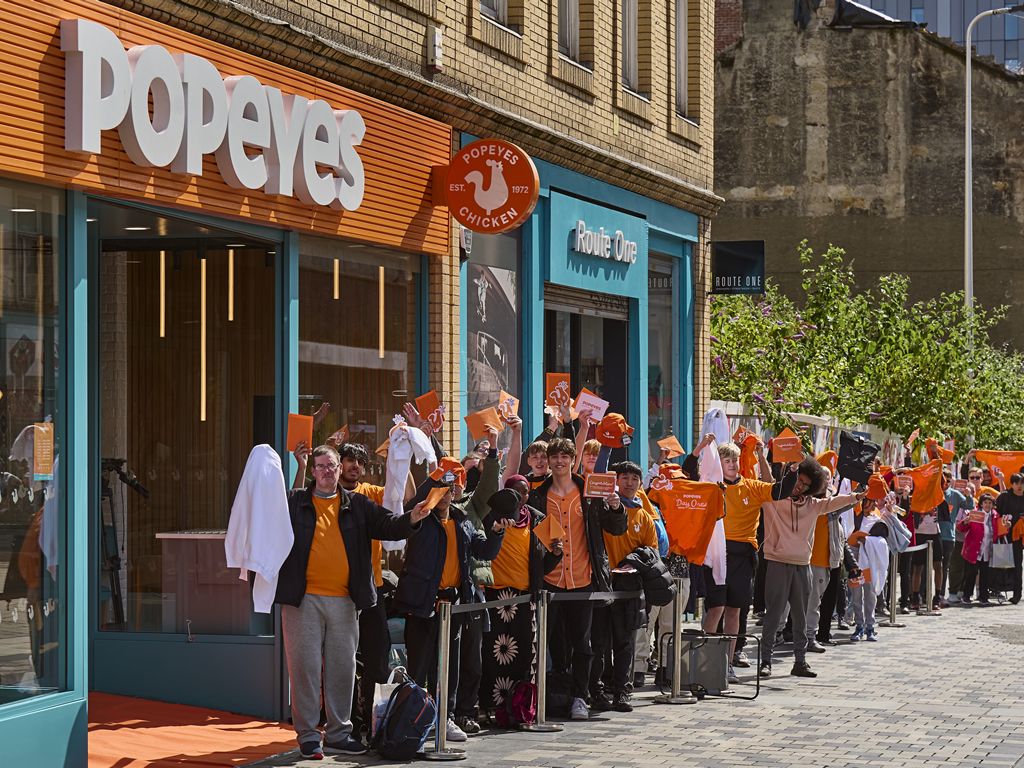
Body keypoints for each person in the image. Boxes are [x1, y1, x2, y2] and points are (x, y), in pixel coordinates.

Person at [275, 444, 430, 760]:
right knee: (303, 668)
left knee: (342, 669)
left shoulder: (359, 505)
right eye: (320, 466)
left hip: (345, 601)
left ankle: (338, 734)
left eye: (330, 464)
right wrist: (299, 465)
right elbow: (270, 524)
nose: (326, 470)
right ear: (313, 471)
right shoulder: (295, 502)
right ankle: (307, 735)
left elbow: (388, 524)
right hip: (301, 601)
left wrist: (412, 517)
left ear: (338, 468)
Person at [394, 469, 508, 743]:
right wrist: (433, 479)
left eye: (450, 488)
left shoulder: (463, 520)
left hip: (454, 606)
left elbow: (484, 552)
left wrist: (496, 532)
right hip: (423, 604)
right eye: (440, 488)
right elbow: (412, 505)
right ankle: (413, 718)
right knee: (419, 665)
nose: (446, 494)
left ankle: (445, 717)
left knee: (448, 667)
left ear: (456, 492)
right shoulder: (420, 517)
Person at [527, 437, 626, 721]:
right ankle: (557, 695)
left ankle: (580, 697)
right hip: (551, 579)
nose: (559, 462)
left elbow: (616, 529)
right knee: (555, 643)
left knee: (583, 644)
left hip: (583, 578)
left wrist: (616, 507)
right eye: (554, 456)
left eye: (564, 457)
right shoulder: (538, 495)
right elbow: (537, 533)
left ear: (573, 459)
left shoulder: (589, 491)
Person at [699, 440, 795, 684]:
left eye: (734, 460)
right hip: (717, 554)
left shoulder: (751, 486)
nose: (731, 464)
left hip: (743, 555)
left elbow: (779, 491)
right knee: (715, 609)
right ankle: (706, 664)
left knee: (735, 610)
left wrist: (792, 471)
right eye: (726, 460)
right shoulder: (712, 487)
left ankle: (728, 664)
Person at [757, 459, 859, 679]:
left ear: (812, 486)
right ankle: (765, 661)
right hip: (776, 563)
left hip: (803, 566)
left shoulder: (813, 504)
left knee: (801, 617)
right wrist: (759, 454)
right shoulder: (773, 500)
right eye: (798, 480)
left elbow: (834, 503)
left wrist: (857, 496)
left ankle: (800, 662)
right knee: (773, 615)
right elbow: (766, 480)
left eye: (805, 483)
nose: (799, 486)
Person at [479, 476, 563, 722]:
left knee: (524, 654)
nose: (521, 496)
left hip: (525, 597)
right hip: (494, 596)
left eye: (525, 492)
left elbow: (547, 560)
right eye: (515, 491)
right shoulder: (490, 517)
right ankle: (490, 706)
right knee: (492, 655)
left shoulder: (538, 518)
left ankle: (519, 706)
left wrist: (556, 554)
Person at [589, 461, 657, 713]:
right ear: (616, 481)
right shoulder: (603, 509)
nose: (629, 482)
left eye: (634, 479)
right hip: (602, 582)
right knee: (599, 642)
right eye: (624, 478)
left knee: (625, 641)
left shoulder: (644, 516)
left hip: (630, 585)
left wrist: (634, 562)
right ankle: (598, 691)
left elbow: (652, 552)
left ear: (640, 484)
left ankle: (623, 692)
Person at [958, 492, 999, 605]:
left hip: (987, 549)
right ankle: (967, 596)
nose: (987, 505)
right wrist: (965, 522)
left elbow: (999, 529)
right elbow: (961, 528)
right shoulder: (975, 514)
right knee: (971, 573)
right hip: (973, 549)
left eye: (990, 503)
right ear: (981, 503)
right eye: (985, 502)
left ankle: (983, 597)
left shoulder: (995, 515)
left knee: (985, 574)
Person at [940, 471, 973, 606]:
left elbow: (969, 505)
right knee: (927, 566)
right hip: (932, 534)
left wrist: (968, 495)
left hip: (949, 536)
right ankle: (922, 595)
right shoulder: (933, 493)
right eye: (943, 481)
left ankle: (940, 594)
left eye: (948, 481)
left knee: (944, 567)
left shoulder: (954, 494)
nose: (945, 483)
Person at [995, 473, 1024, 604]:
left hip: (1020, 537)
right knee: (1002, 564)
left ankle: (1017, 594)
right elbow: (996, 514)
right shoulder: (1004, 497)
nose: (1019, 486)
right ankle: (998, 589)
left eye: (1022, 483)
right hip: (1005, 536)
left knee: (1018, 565)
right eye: (1017, 483)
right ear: (1012, 484)